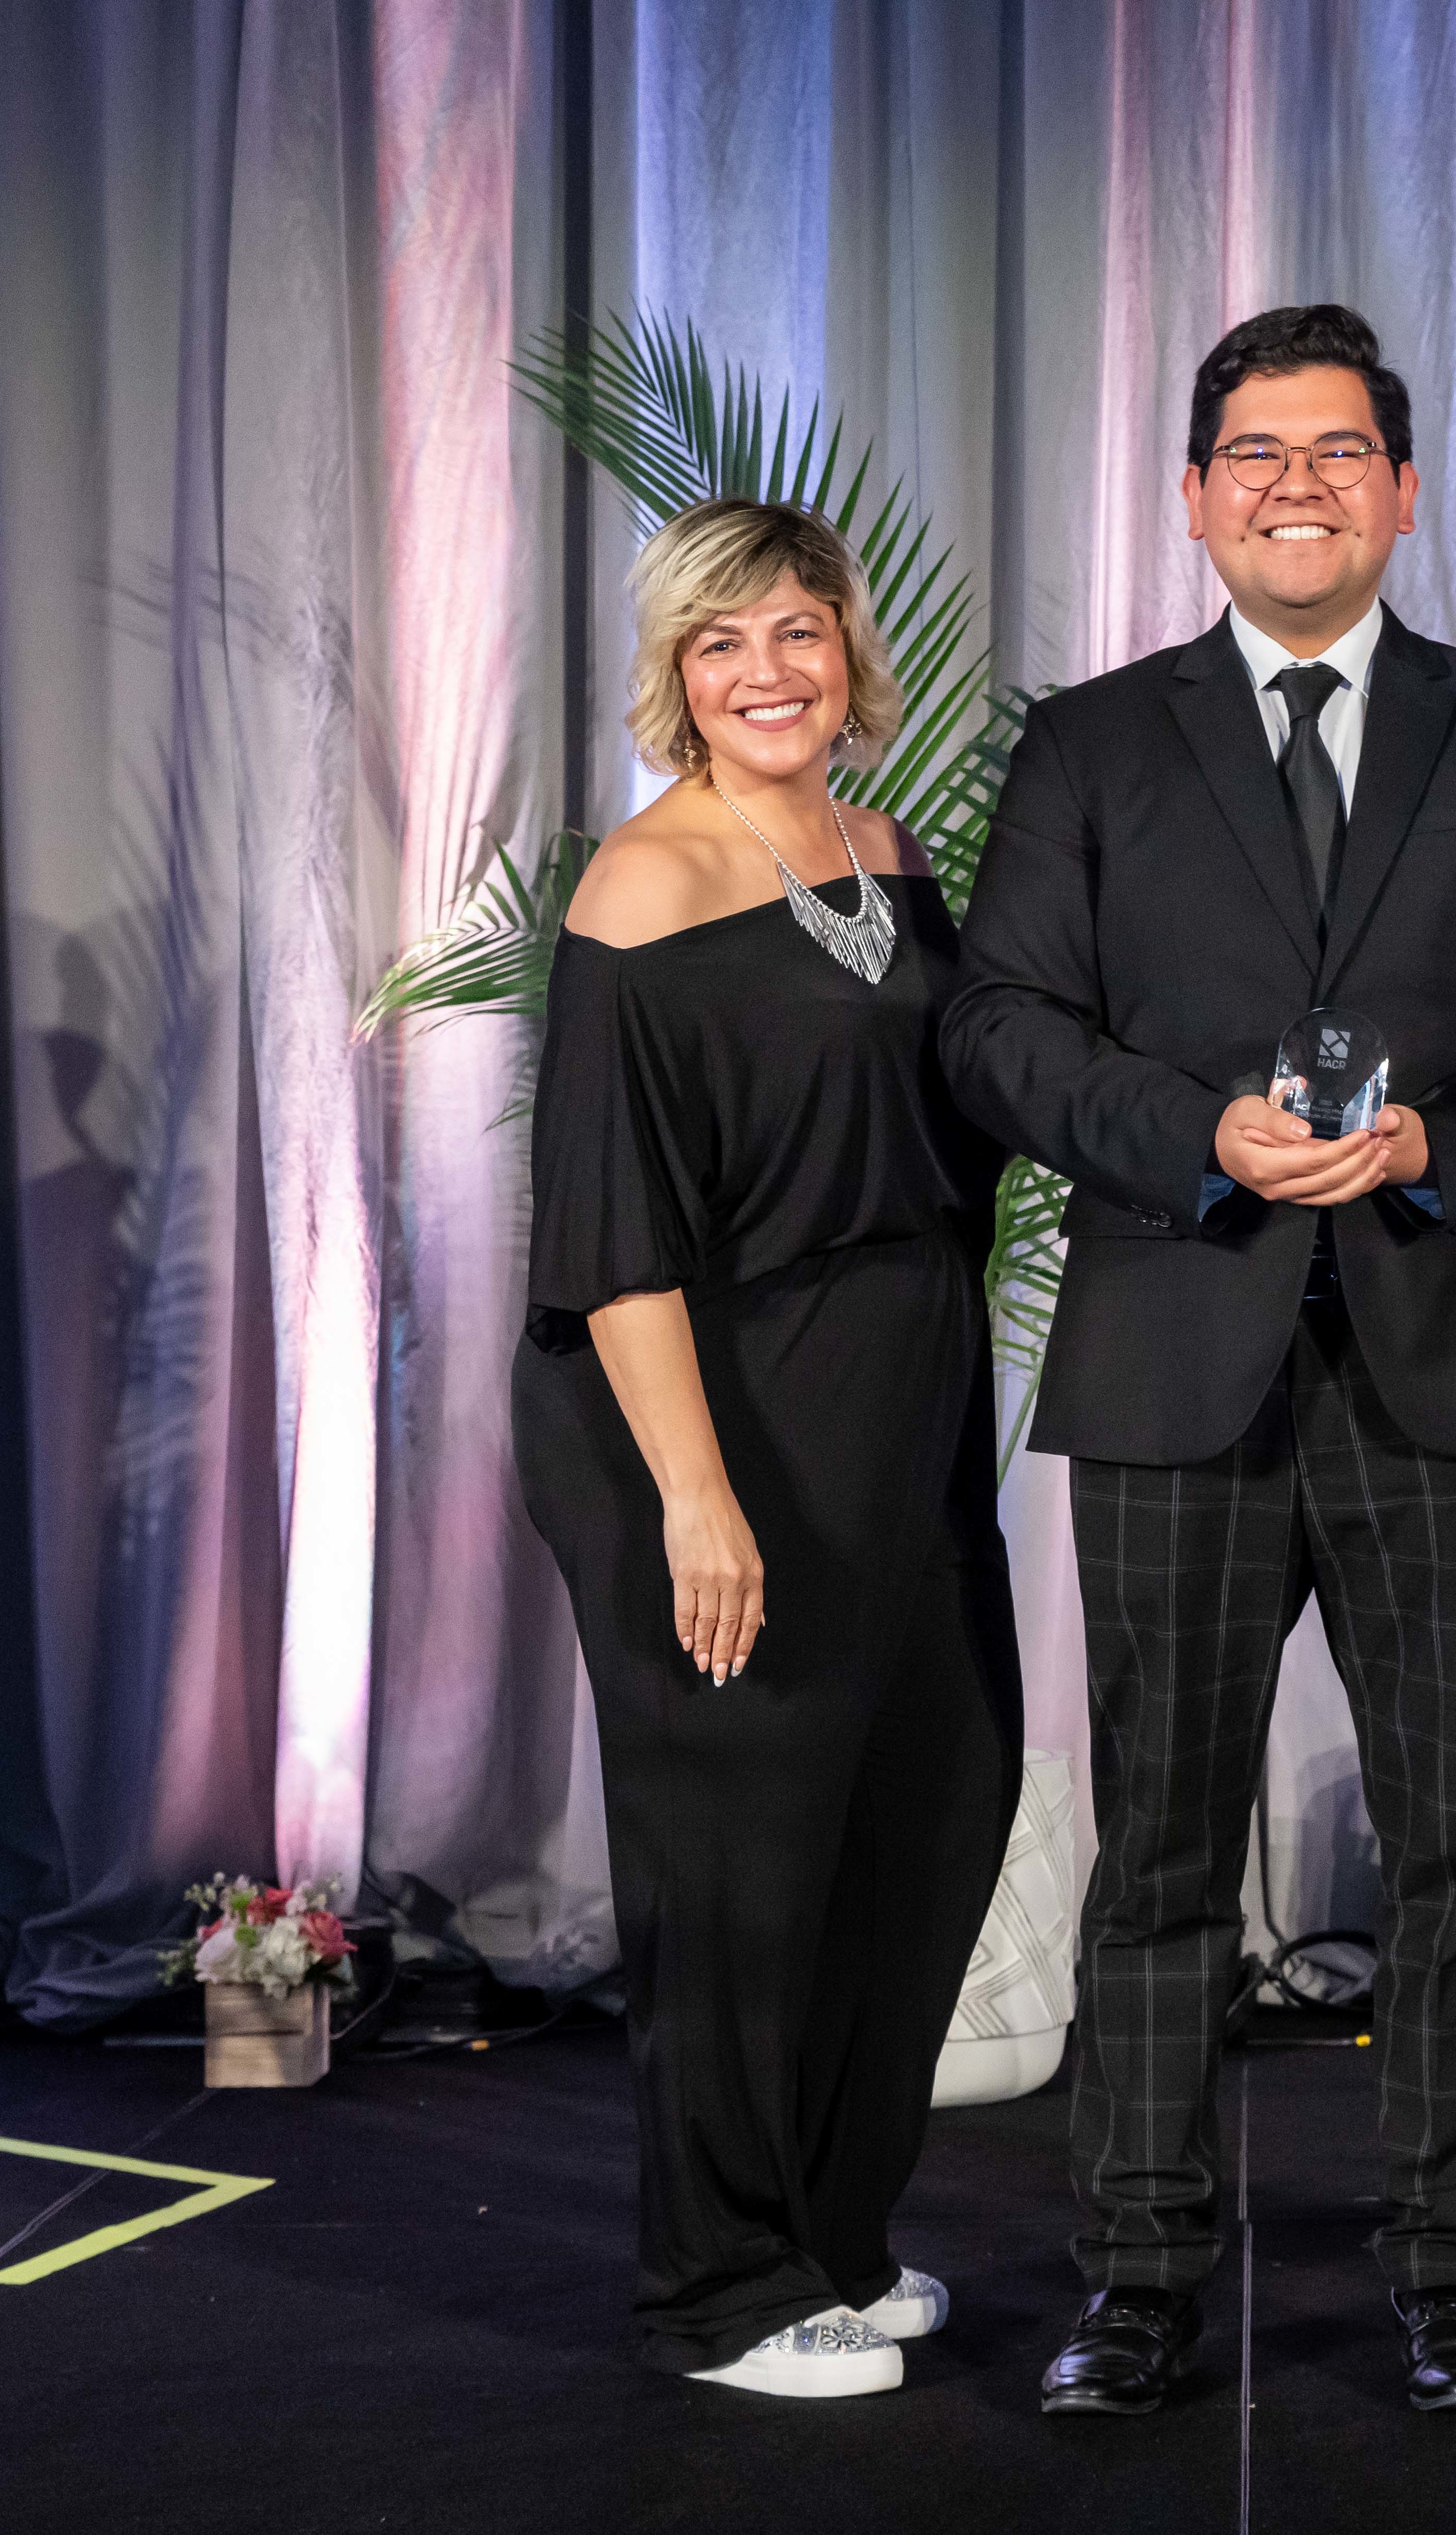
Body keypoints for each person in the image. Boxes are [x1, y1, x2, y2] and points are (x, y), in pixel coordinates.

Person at [942, 304, 1456, 2418]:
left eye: (1340, 451)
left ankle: (1448, 2263)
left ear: (1406, 490)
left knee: (1453, 1856)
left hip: (1450, 1359)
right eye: (1255, 452)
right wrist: (1195, 1136)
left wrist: (1442, 1145)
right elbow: (999, 1027)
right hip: (1178, 1355)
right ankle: (1142, 2269)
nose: (1298, 484)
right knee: (1158, 1851)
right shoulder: (1089, 748)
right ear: (1192, 494)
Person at [512, 498, 1022, 2401]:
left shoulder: (880, 849)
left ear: (845, 649)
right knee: (736, 1856)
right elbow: (613, 1226)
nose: (767, 673)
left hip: (893, 1397)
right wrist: (697, 1495)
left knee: (927, 1805)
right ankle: (716, 2290)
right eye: (723, 644)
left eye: (797, 632)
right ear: (674, 675)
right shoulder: (641, 890)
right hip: (704, 1408)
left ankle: (830, 2237)